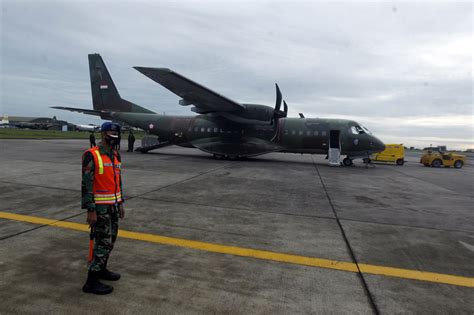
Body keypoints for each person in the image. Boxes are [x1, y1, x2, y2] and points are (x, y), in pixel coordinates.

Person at [81, 122, 125, 295]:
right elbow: (86, 185)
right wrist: (90, 210)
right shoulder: (91, 155)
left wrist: (120, 202)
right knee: (102, 243)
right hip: (99, 208)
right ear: (103, 134)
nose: (114, 135)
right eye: (111, 132)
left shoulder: (115, 155)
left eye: (116, 132)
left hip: (113, 206)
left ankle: (102, 269)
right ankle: (91, 282)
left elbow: (117, 181)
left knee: (111, 240)